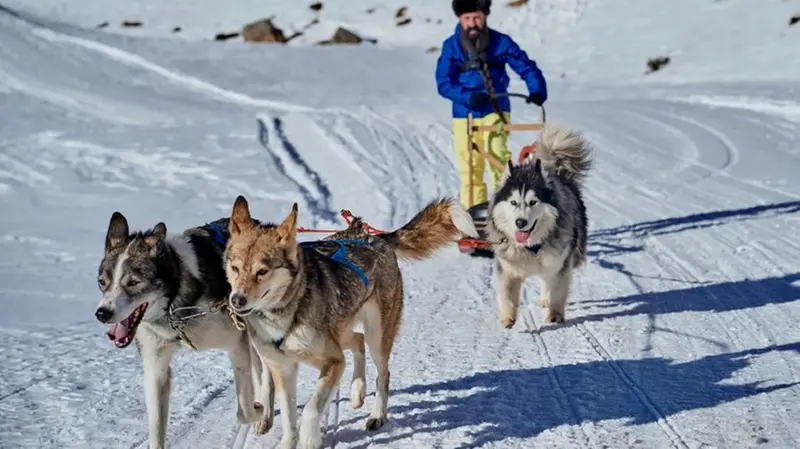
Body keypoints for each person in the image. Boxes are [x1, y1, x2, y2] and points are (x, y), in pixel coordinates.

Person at [436, 0, 548, 208]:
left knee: (496, 155)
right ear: (460, 19)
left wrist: (537, 89)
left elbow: (525, 66)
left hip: (495, 108)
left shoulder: (500, 43)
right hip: (464, 113)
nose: (473, 23)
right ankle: (473, 216)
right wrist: (467, 97)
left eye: (477, 17)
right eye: (467, 18)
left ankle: (506, 211)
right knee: (469, 168)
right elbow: (443, 83)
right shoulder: (451, 47)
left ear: (485, 16)